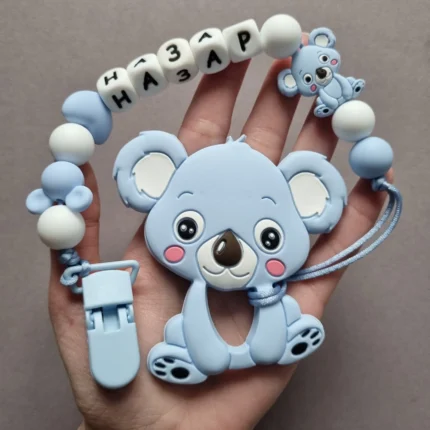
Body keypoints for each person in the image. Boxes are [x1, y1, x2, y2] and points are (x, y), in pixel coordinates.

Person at [48, 56, 391, 430]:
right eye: (187, 229)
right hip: (191, 347)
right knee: (194, 333)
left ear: (311, 199)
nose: (228, 249)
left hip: (263, 306)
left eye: (270, 238)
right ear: (150, 178)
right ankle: (197, 353)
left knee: (275, 320)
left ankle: (276, 337)